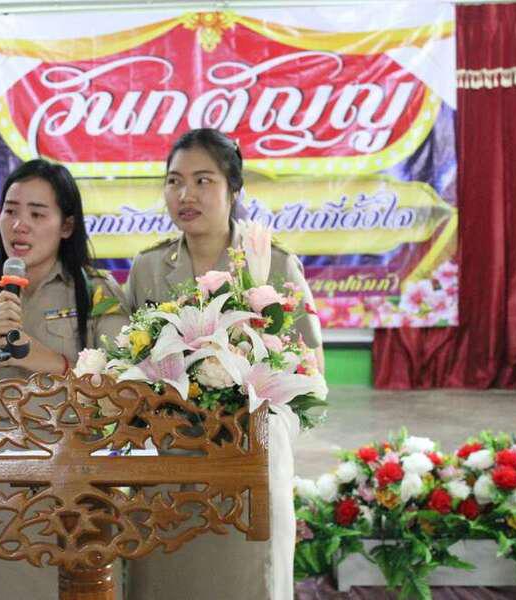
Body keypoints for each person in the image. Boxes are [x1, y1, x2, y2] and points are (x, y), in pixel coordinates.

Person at [124, 128, 324, 600]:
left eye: (203, 181)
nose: (185, 195)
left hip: (249, 454)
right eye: (174, 181)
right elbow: (128, 363)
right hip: (169, 457)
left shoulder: (272, 263)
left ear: (234, 189)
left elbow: (310, 374)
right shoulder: (148, 268)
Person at [0, 158, 130, 600]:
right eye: (10, 210)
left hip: (74, 486)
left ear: (66, 226)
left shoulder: (98, 292)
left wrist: (47, 360)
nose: (19, 225)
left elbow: (121, 395)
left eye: (37, 214)